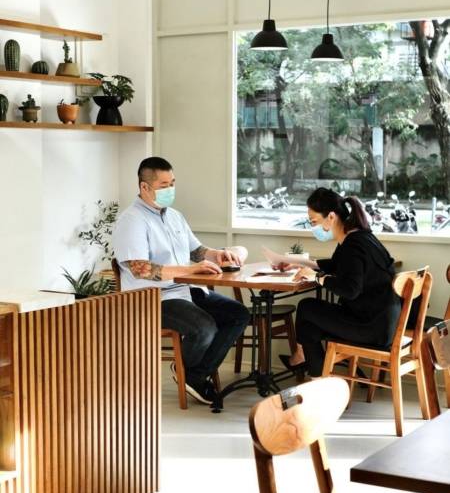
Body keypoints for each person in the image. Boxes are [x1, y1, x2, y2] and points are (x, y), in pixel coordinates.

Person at [113, 156, 250, 404]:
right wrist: (189, 271)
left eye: (172, 183)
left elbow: (195, 251)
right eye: (164, 185)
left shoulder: (175, 216)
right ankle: (192, 375)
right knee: (205, 327)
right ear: (144, 187)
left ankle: (193, 375)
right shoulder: (132, 220)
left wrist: (215, 254)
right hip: (152, 298)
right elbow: (140, 269)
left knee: (238, 314)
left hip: (185, 290)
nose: (170, 189)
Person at [277, 187, 401, 378]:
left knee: (307, 307)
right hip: (382, 321)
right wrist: (298, 263)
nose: (313, 227)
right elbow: (335, 265)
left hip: (372, 327)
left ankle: (306, 362)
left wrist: (316, 278)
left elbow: (350, 290)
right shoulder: (359, 237)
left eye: (314, 222)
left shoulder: (353, 245)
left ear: (331, 217)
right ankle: (314, 374)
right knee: (309, 325)